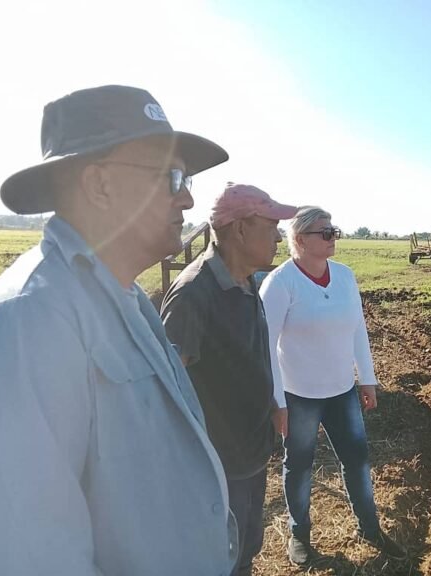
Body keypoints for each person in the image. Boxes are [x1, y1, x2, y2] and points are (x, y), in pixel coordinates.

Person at [0, 85, 238, 575]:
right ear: (100, 185)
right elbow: (28, 561)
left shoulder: (125, 297)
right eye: (172, 177)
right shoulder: (27, 321)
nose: (187, 197)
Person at [160, 182, 297, 576]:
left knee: (247, 547)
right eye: (271, 225)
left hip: (250, 452)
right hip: (217, 467)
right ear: (239, 229)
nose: (277, 235)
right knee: (219, 559)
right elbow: (168, 392)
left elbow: (249, 353)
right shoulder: (193, 293)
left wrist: (271, 401)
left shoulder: (247, 280)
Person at [259, 206, 405, 565]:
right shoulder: (280, 283)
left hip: (342, 391)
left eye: (333, 230)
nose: (332, 238)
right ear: (299, 239)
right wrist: (278, 402)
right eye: (324, 233)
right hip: (299, 395)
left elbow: (357, 328)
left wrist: (366, 379)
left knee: (356, 460)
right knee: (300, 464)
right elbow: (265, 346)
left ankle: (369, 527)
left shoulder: (344, 276)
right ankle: (300, 535)